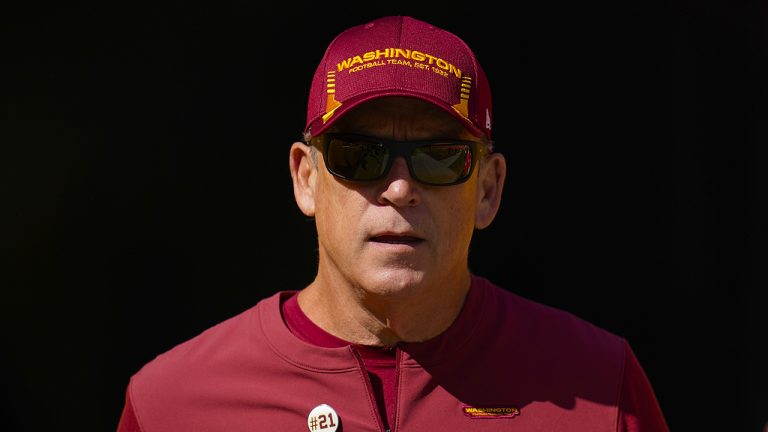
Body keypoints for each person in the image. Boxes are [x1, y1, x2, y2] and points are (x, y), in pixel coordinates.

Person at [116, 15, 669, 432]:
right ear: (306, 178)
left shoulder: (599, 383)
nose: (400, 188)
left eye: (440, 157)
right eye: (359, 155)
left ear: (489, 188)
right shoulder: (172, 403)